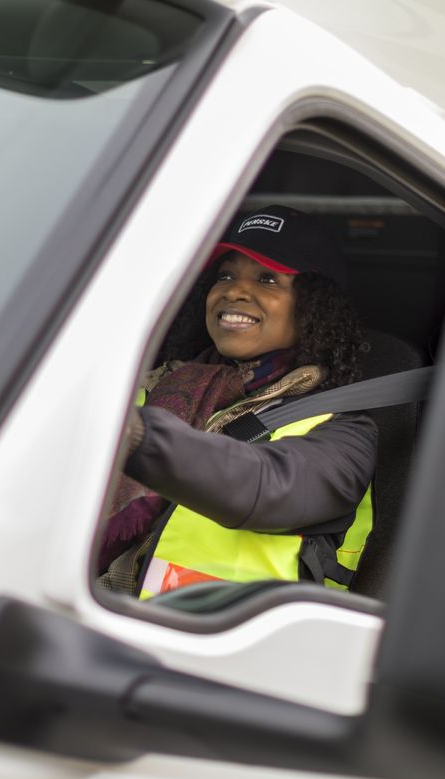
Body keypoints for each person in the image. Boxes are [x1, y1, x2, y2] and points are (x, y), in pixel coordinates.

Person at [98, 205, 377, 598]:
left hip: (227, 647)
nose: (234, 291)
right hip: (93, 611)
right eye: (225, 275)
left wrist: (138, 436)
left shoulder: (343, 430)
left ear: (314, 307)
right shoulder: (154, 388)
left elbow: (266, 488)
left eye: (267, 279)